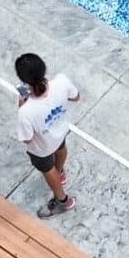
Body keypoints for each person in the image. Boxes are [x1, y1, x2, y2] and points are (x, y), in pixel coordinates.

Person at [14, 52, 81, 218]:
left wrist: (22, 105)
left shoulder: (26, 111)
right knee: (61, 148)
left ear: (24, 81)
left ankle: (62, 201)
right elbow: (76, 97)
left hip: (41, 148)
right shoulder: (62, 81)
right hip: (60, 132)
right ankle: (61, 173)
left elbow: (27, 138)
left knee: (47, 169)